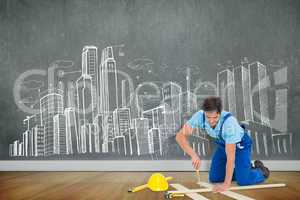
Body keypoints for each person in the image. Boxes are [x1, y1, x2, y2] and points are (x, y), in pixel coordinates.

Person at [176, 96, 270, 193]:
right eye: (208, 117)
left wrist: (226, 184)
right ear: (204, 112)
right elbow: (179, 136)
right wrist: (193, 155)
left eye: (215, 117)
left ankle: (261, 171)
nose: (211, 121)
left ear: (220, 113)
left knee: (243, 181)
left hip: (240, 146)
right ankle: (243, 170)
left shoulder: (229, 123)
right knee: (215, 178)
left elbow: (230, 157)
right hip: (223, 146)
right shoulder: (199, 116)